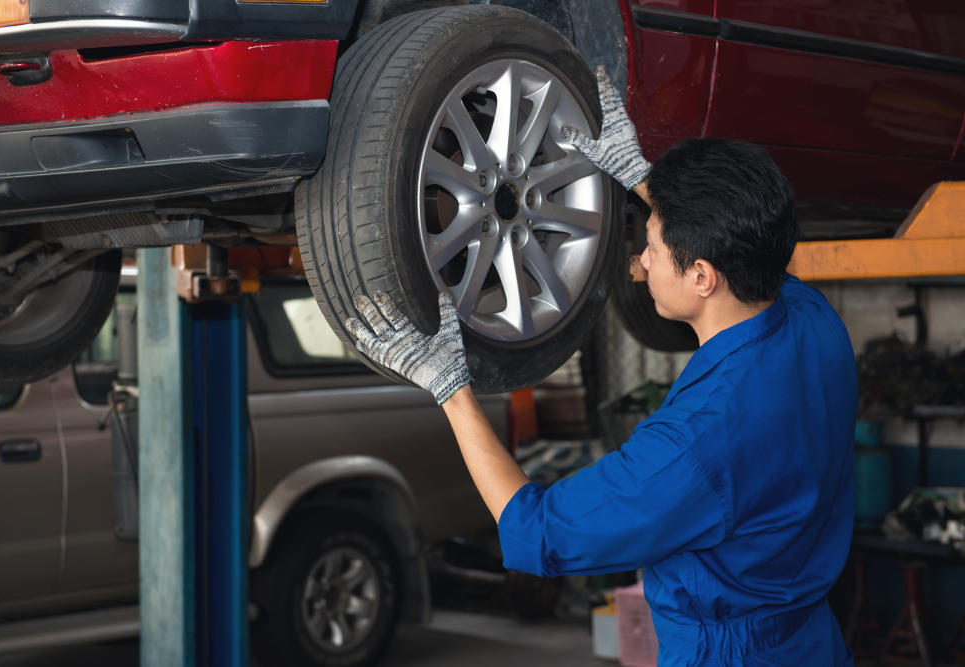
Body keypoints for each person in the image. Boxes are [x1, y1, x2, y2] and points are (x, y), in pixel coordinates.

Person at [345, 65, 857, 666]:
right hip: (811, 643)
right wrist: (642, 180)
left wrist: (448, 386)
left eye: (655, 247)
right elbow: (735, 249)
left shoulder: (694, 447)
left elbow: (538, 534)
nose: (639, 259)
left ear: (701, 277)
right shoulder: (815, 324)